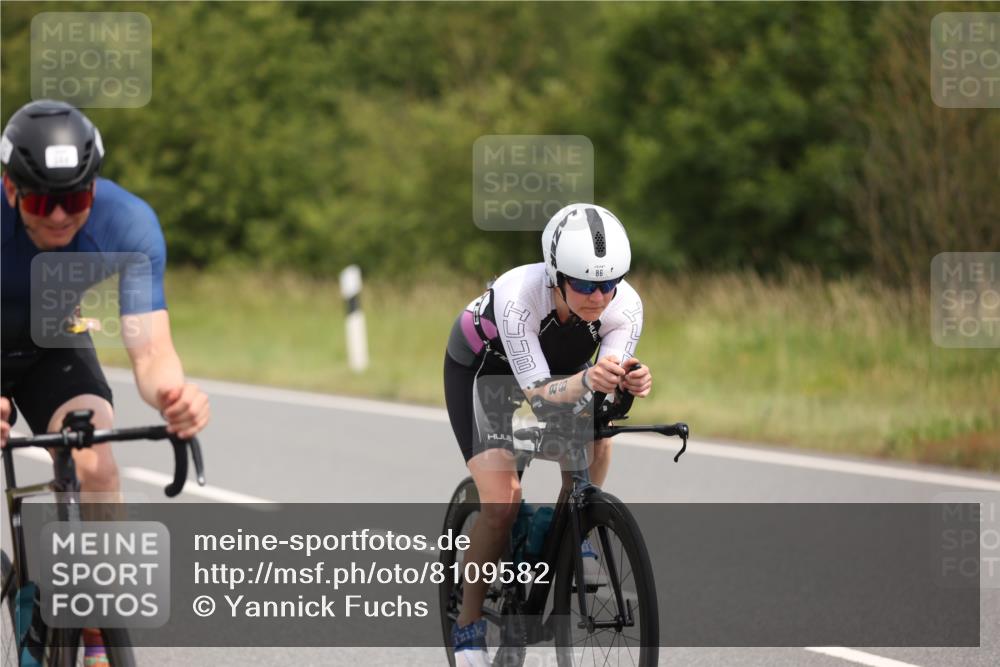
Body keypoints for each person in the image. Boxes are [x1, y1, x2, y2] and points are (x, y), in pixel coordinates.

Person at [0, 100, 210, 665]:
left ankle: (95, 628)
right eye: (44, 202)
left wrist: (174, 396)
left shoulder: (127, 222)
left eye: (77, 200)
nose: (63, 218)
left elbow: (151, 349)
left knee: (94, 457)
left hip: (51, 347)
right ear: (10, 187)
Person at [443, 203, 653, 665]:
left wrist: (630, 379)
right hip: (485, 372)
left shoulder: (626, 304)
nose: (598, 297)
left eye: (608, 282)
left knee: (598, 436)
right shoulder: (520, 296)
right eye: (583, 284)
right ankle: (469, 627)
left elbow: (606, 378)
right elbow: (538, 397)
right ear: (556, 275)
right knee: (502, 502)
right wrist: (588, 380)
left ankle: (573, 529)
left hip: (557, 371)